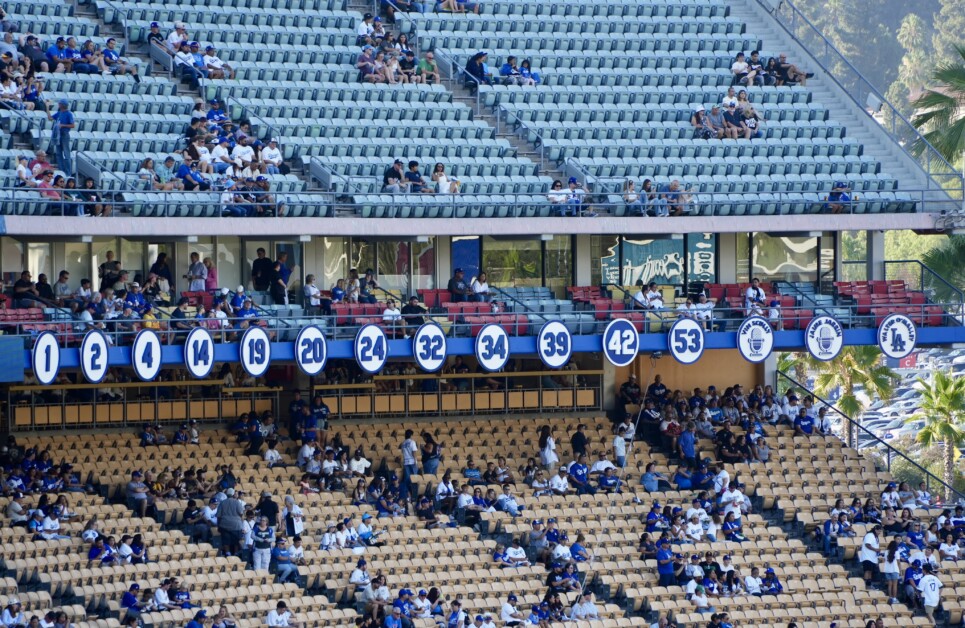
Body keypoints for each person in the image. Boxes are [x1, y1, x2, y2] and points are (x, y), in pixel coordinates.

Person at [46, 99, 75, 177]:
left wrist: (63, 125)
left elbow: (72, 125)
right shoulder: (59, 113)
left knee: (66, 153)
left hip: (64, 134)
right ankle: (62, 171)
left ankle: (68, 172)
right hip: (58, 134)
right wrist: (47, 108)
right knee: (58, 153)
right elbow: (50, 118)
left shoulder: (68, 114)